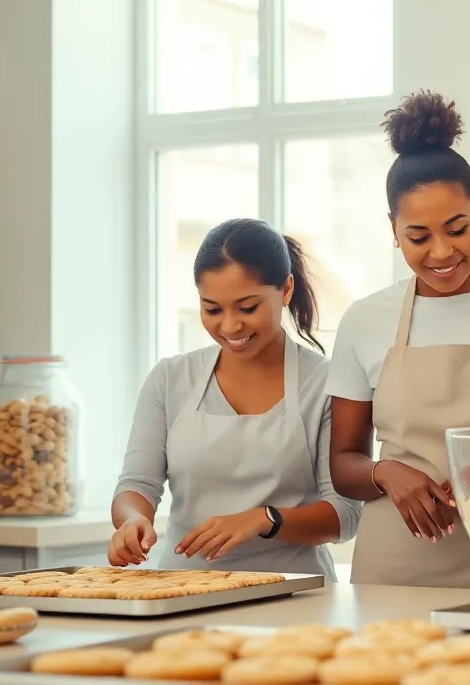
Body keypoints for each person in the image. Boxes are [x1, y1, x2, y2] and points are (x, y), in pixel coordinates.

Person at [328, 90, 470, 589]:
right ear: (393, 230)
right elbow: (343, 465)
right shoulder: (364, 321)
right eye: (418, 237)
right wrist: (387, 474)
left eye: (457, 228)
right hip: (394, 563)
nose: (441, 252)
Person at [109, 219, 361, 574]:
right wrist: (132, 521)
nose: (229, 326)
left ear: (286, 289)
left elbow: (346, 514)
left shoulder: (328, 383)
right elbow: (138, 485)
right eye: (212, 309)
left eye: (247, 308)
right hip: (184, 590)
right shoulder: (170, 378)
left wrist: (265, 519)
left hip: (295, 593)